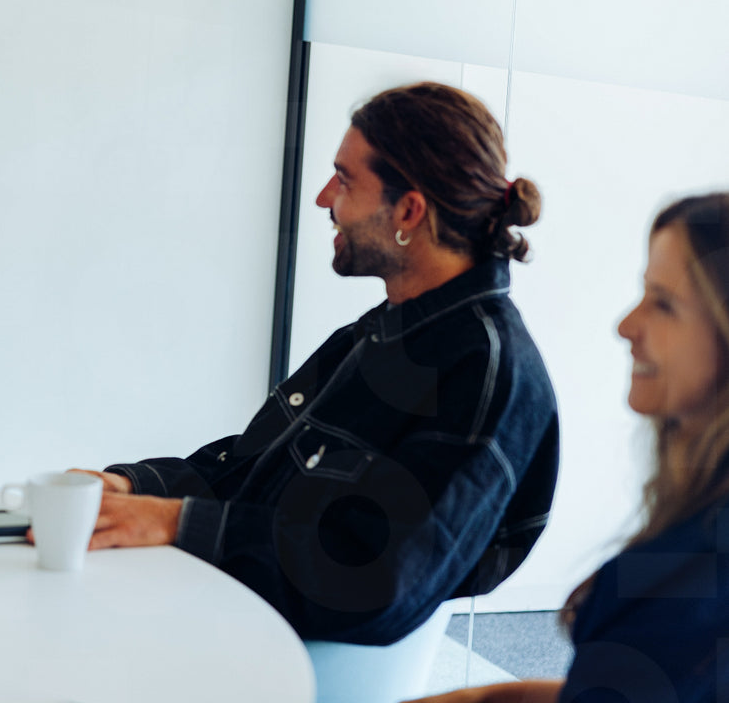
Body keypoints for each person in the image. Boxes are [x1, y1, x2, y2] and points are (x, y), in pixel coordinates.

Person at [77, 82, 560, 645]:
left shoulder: (487, 372)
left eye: (345, 180)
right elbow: (255, 469)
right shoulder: (380, 333)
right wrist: (129, 487)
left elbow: (378, 577)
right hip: (223, 616)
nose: (323, 198)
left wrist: (174, 522)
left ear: (409, 210)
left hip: (281, 656)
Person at [407, 193, 729, 703]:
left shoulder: (700, 582)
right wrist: (488, 698)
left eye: (664, 304)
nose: (626, 326)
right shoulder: (700, 517)